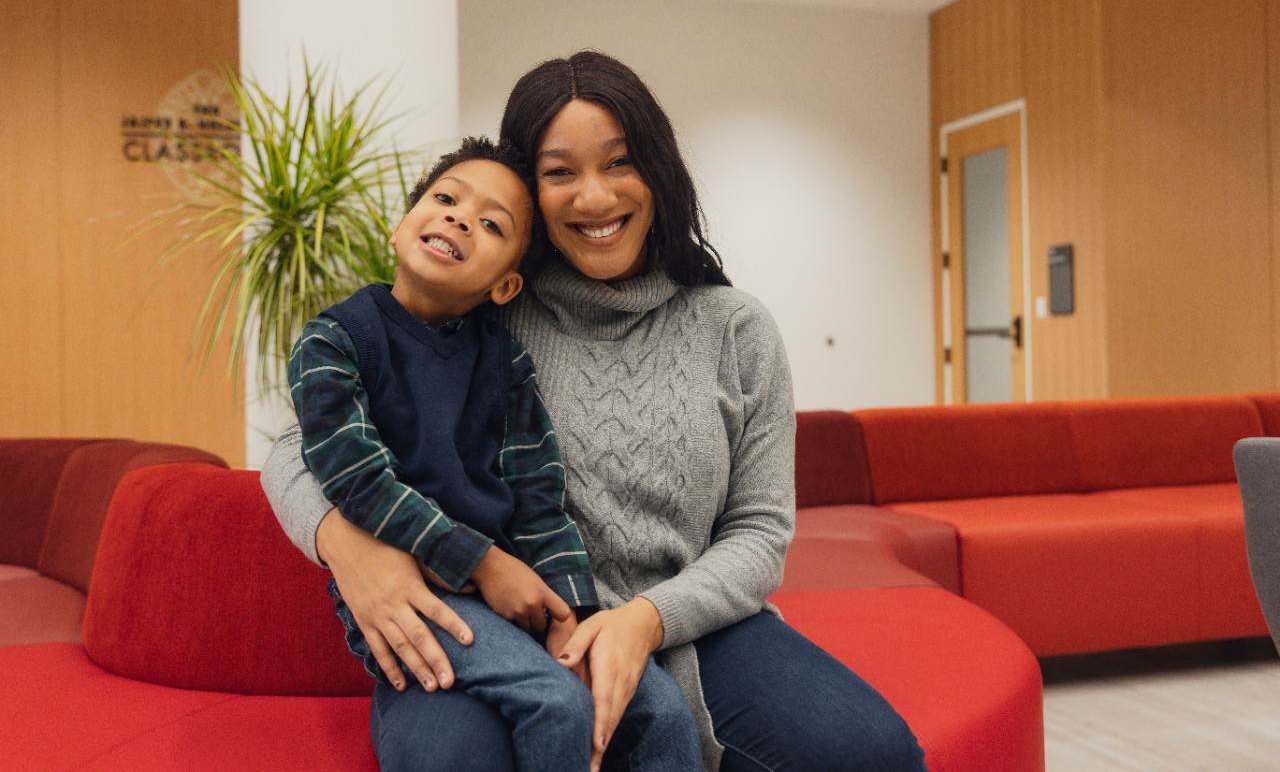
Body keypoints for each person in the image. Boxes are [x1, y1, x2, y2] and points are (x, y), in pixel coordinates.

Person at [264, 51, 927, 772]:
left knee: (875, 754)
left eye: (619, 162)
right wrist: (351, 547)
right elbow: (296, 445)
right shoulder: (488, 310)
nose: (594, 197)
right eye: (559, 172)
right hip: (505, 624)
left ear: (658, 169)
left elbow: (760, 532)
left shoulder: (735, 328)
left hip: (693, 626)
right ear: (529, 192)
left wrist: (645, 620)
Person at [286, 135, 700, 772]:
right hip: (415, 594)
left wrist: (570, 609)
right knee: (557, 704)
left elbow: (539, 501)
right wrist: (481, 562)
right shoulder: (336, 339)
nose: (458, 217)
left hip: (508, 593)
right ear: (401, 226)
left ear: (507, 285)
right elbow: (356, 479)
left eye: (489, 224)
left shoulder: (505, 362)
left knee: (661, 707)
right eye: (446, 199)